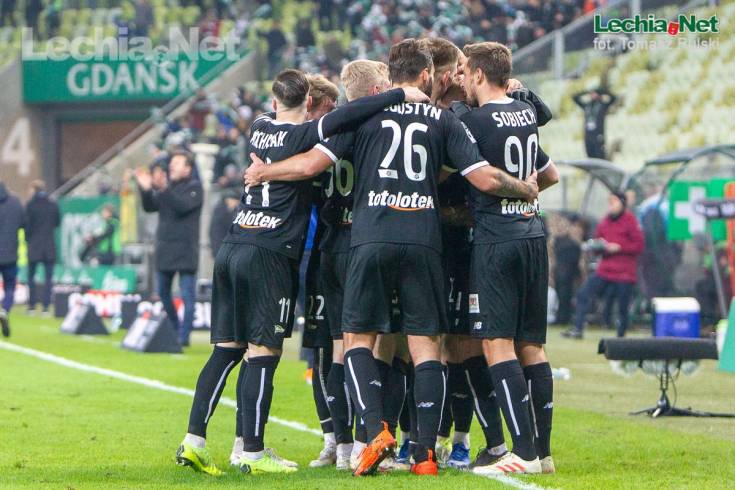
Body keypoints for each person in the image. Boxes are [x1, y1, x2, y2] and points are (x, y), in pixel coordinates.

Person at [246, 40, 537, 477]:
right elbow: (481, 176)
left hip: (370, 239)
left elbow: (310, 164)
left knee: (357, 339)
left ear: (391, 74)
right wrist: (524, 188)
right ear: (426, 75)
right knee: (426, 346)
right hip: (424, 240)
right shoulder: (442, 119)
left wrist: (264, 171)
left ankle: (373, 433)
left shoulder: (364, 117)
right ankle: (423, 454)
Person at [174, 68, 427, 477]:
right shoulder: (306, 135)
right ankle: (252, 452)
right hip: (270, 252)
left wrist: (264, 169)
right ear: (309, 102)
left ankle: (195, 440)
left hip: (233, 244)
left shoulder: (259, 127)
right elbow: (333, 133)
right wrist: (399, 94)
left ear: (274, 100)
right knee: (263, 353)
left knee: (226, 350)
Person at [460, 42, 559, 476]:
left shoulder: (475, 121)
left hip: (497, 241)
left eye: (466, 72)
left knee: (496, 343)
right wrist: (526, 195)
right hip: (533, 235)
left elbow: (483, 178)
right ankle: (543, 452)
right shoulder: (525, 113)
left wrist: (507, 195)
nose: (463, 80)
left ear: (480, 74)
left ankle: (522, 453)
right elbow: (551, 174)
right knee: (531, 345)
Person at [135, 151, 204, 347]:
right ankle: (174, 327)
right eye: (172, 162)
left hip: (185, 249)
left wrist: (164, 188)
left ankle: (184, 336)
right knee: (163, 293)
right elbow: (150, 207)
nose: (172, 165)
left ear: (188, 169)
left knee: (187, 295)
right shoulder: (168, 188)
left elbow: (181, 206)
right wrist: (145, 190)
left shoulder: (195, 188)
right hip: (165, 248)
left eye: (177, 162)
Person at [564, 192, 644, 339]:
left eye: (614, 201)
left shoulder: (631, 221)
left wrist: (620, 247)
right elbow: (597, 242)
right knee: (583, 294)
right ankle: (578, 329)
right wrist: (597, 247)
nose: (611, 205)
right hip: (605, 270)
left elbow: (639, 246)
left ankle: (621, 337)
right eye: (610, 201)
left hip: (624, 273)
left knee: (623, 307)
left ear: (622, 203)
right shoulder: (605, 221)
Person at [25, 180, 60, 315]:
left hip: (34, 245)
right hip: (49, 246)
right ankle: (46, 307)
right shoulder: (52, 204)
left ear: (34, 189)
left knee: (31, 277)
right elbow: (57, 222)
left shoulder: (30, 205)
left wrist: (29, 239)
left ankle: (31, 306)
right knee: (48, 279)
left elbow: (27, 225)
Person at [0, 182, 24, 337]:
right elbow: (24, 222)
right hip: (10, 253)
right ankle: (5, 309)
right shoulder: (15, 203)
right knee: (10, 286)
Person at [573, 87, 617, 159]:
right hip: (588, 136)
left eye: (595, 93)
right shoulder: (587, 106)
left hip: (598, 136)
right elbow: (575, 98)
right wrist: (586, 92)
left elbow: (614, 98)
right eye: (592, 94)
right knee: (590, 158)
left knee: (600, 157)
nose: (593, 95)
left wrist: (603, 91)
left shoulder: (603, 105)